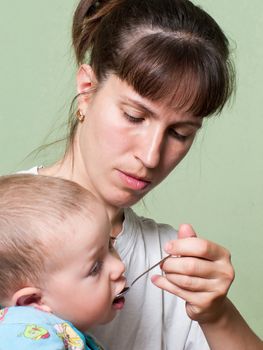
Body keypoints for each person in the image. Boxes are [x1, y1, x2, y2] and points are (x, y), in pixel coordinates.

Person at [21, 0, 263, 349]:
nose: (150, 156)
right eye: (134, 116)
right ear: (87, 91)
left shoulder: (169, 265)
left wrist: (217, 315)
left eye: (180, 133)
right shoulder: (7, 226)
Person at [0, 174, 126, 349]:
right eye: (95, 268)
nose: (120, 266)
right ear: (32, 301)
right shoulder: (26, 340)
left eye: (110, 244)